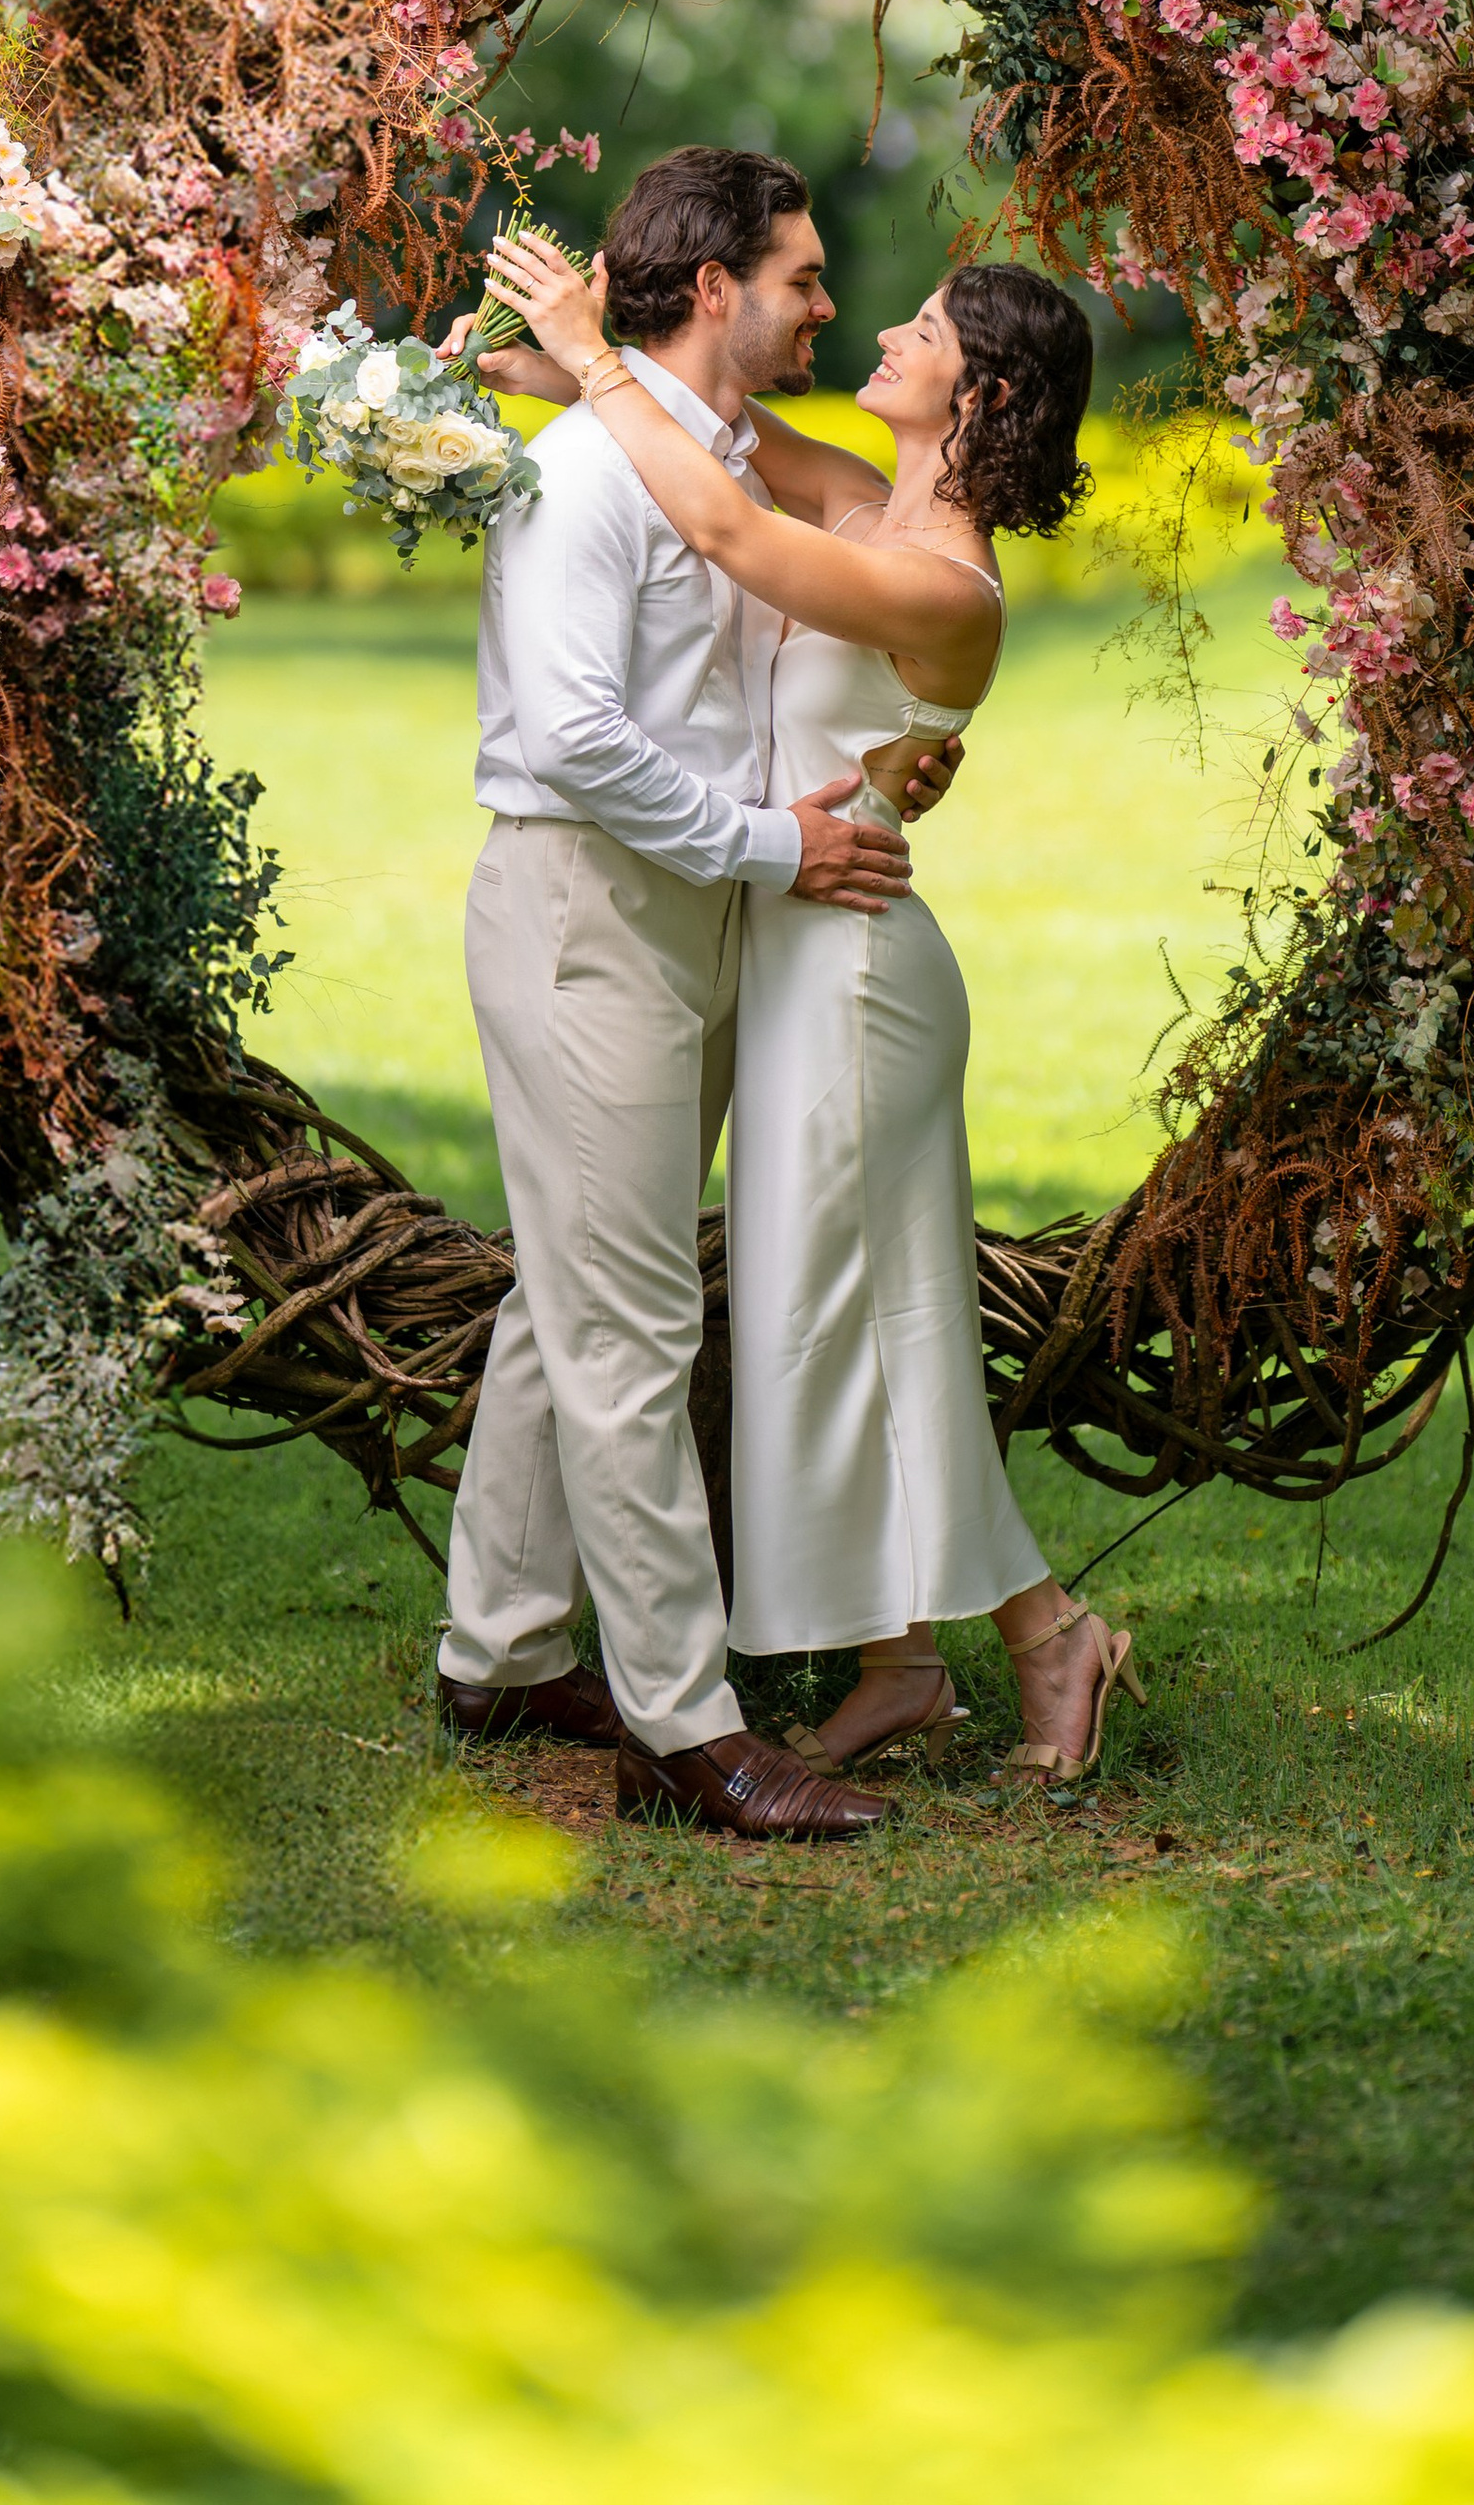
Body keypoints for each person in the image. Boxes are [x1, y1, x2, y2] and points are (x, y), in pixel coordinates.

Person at [476, 220, 1148, 1790]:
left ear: (981, 399)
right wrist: (556, 370)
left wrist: (586, 360)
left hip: (849, 972)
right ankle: (898, 1667)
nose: (885, 333)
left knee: (870, 1319)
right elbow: (712, 428)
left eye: (923, 328)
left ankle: (1048, 1639)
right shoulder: (867, 492)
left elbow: (718, 520)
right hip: (782, 940)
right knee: (817, 1314)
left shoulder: (943, 582)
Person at [435, 147, 959, 1846]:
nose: (827, 303)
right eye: (803, 277)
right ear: (715, 286)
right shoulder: (592, 472)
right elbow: (578, 738)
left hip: (704, 906)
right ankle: (683, 1728)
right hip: (595, 913)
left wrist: (848, 790)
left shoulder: (709, 452)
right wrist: (767, 845)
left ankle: (502, 1654)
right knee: (632, 1324)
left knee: (575, 1294)